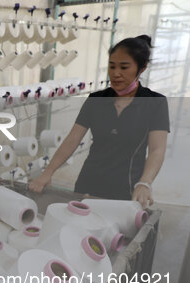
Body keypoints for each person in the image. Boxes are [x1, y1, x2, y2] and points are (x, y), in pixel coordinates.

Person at [29, 35, 169, 209]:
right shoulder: (96, 99)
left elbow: (157, 149)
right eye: (112, 66)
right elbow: (72, 139)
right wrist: (48, 172)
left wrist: (145, 183)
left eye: (124, 67)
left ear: (142, 68)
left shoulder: (155, 103)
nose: (116, 73)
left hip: (127, 190)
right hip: (88, 184)